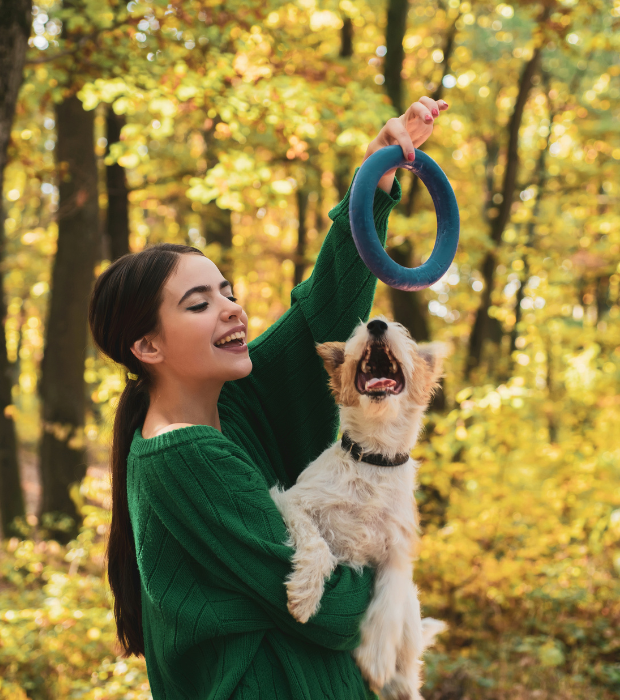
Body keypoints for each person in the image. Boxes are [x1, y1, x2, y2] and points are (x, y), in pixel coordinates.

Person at [88, 96, 449, 699]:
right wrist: (390, 575)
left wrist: (376, 177)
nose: (231, 308)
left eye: (226, 291)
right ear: (147, 346)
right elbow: (331, 610)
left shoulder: (233, 400)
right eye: (199, 304)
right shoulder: (184, 458)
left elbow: (322, 309)